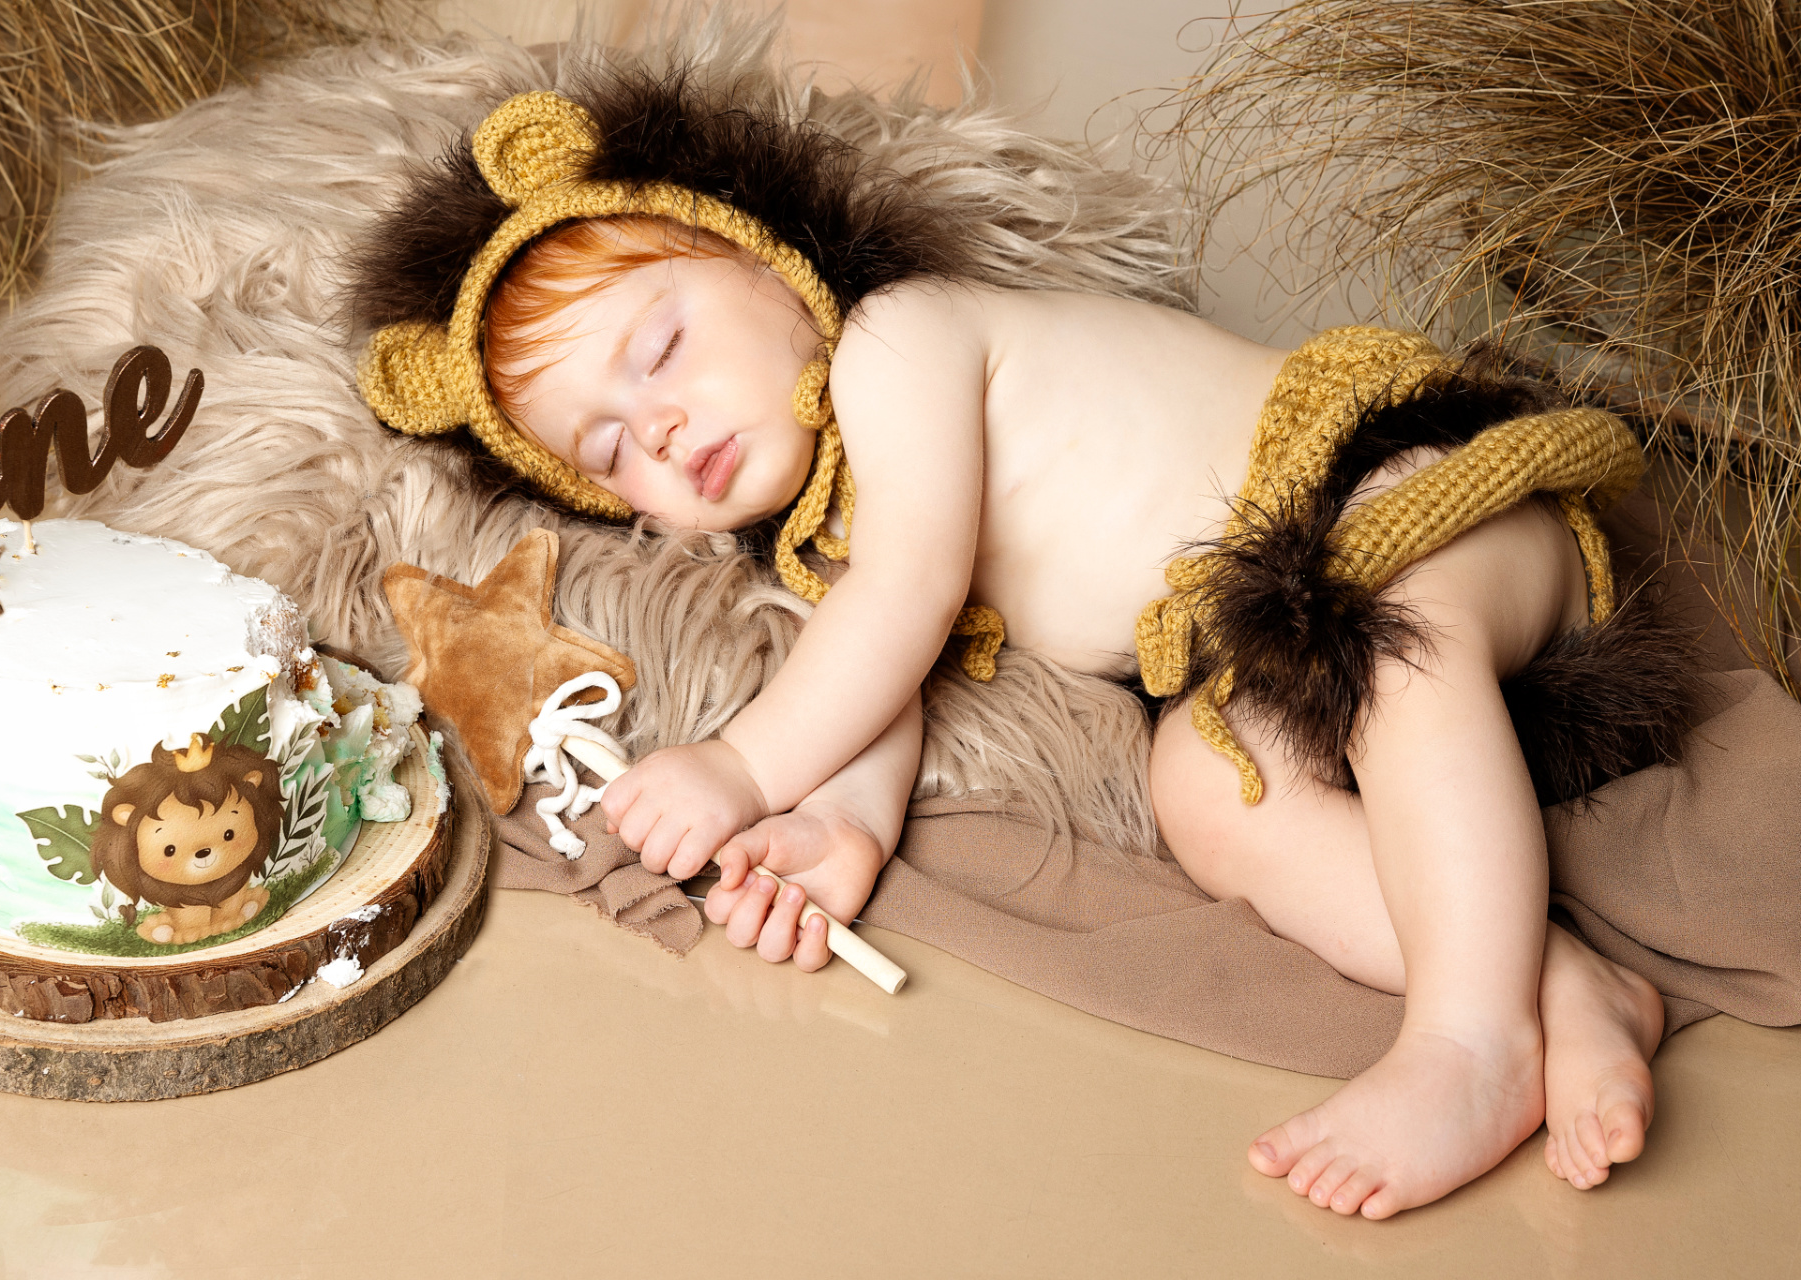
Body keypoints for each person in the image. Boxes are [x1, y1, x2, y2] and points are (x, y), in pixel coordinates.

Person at [357, 84, 1696, 1219]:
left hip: (1400, 496)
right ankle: (1559, 982)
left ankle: (1469, 1040)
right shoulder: (831, 540)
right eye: (601, 451)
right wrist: (842, 826)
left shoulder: (902, 341)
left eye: (659, 349)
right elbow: (885, 660)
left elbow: (911, 605)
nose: (652, 430)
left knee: (1405, 649)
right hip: (1275, 650)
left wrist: (743, 766)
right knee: (1202, 797)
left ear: (764, 263)